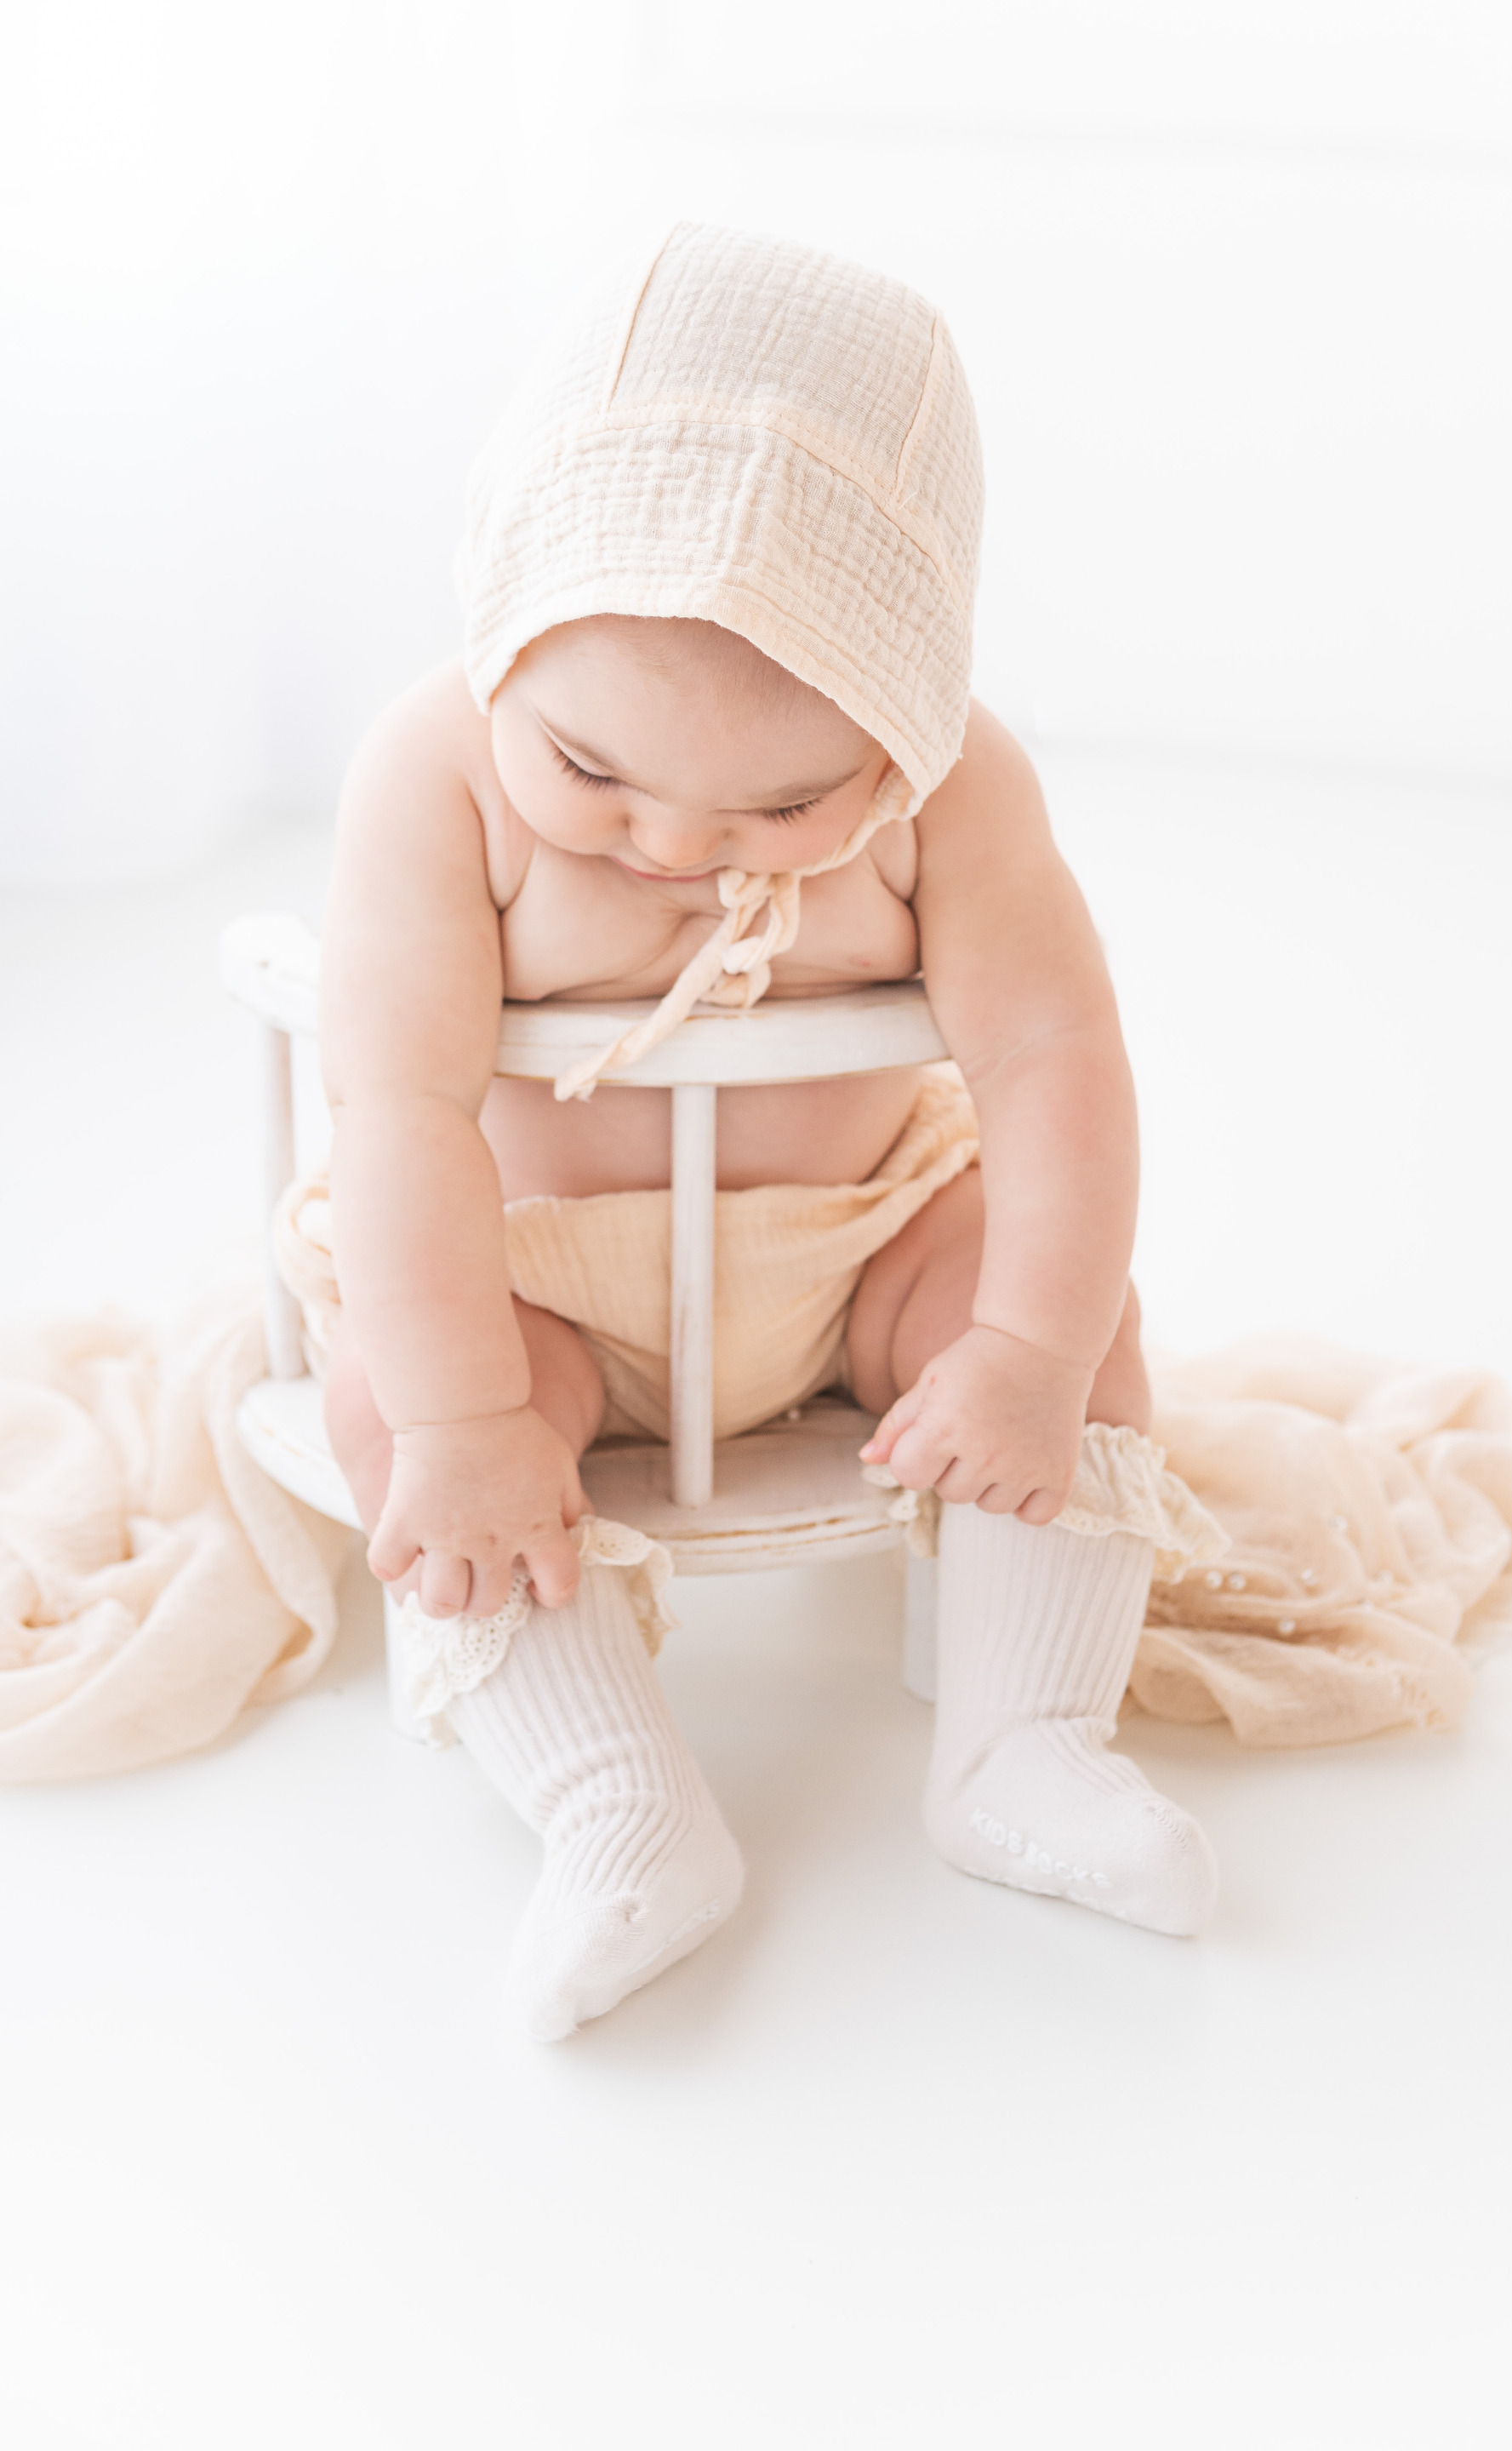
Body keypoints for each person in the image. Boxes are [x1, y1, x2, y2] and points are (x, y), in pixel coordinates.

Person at [305, 223, 1224, 2042]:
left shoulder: (961, 785)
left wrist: (1030, 1355)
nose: (668, 846)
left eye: (789, 804)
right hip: (533, 1279)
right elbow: (397, 1110)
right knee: (392, 1401)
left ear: (904, 721)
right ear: (505, 617)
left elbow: (1054, 1055)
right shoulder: (433, 770)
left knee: (1071, 1308)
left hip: (851, 1243)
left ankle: (1026, 1745)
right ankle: (615, 1802)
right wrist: (465, 1419)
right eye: (590, 774)